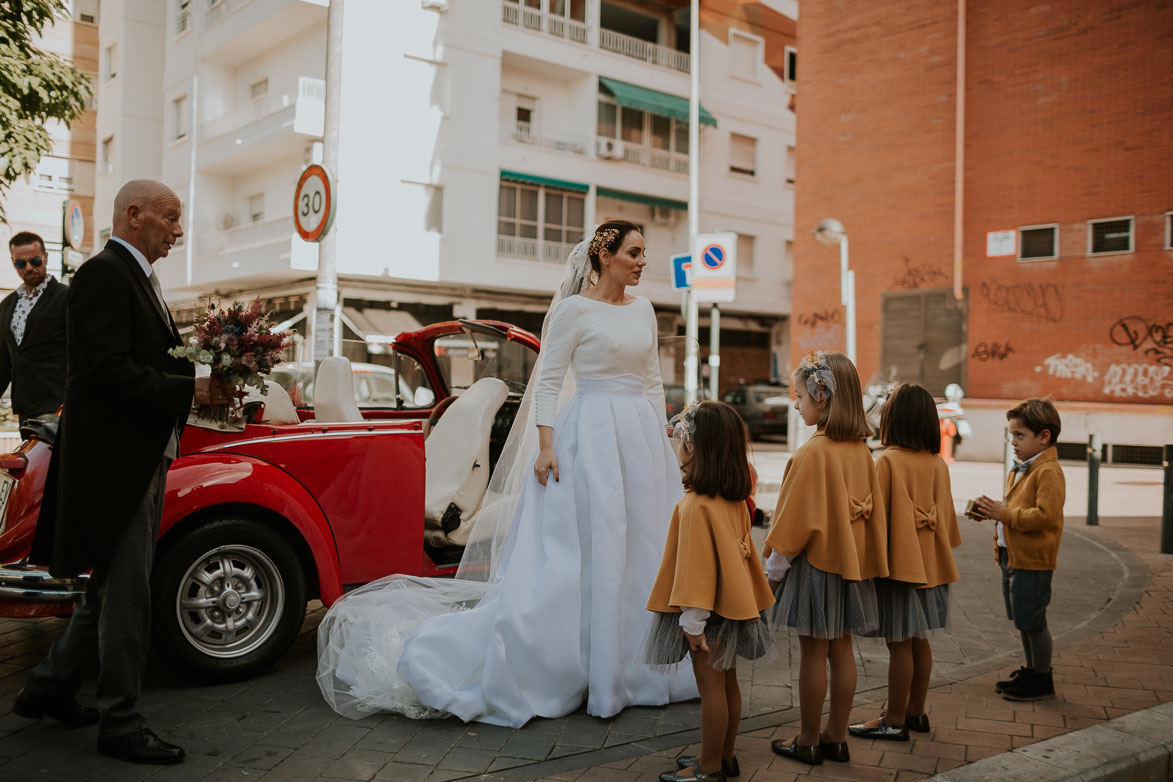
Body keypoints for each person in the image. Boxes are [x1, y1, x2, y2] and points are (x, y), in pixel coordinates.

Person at [317, 220, 698, 727]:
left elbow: (652, 382)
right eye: (634, 252)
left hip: (638, 440)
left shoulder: (646, 309)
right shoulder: (572, 311)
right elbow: (550, 382)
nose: (643, 261)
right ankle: (581, 666)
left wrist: (661, 439)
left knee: (641, 547)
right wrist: (545, 446)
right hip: (589, 438)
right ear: (605, 255)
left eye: (644, 253)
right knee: (590, 546)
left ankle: (641, 668)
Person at [16, 180, 211, 765]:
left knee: (108, 591)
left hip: (134, 455)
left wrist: (196, 378)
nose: (178, 230)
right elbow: (105, 371)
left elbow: (135, 362)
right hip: (116, 463)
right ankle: (120, 723)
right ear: (135, 215)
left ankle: (48, 688)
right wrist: (193, 387)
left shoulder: (129, 276)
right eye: (171, 218)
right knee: (128, 595)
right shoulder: (104, 274)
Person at [764, 351, 887, 767]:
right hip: (850, 568)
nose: (795, 405)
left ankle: (808, 738)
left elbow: (792, 526)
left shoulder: (811, 454)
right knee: (843, 650)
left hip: (815, 568)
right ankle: (836, 737)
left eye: (799, 396)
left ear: (823, 397)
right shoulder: (860, 452)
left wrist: (771, 577)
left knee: (813, 654)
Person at [644, 400, 775, 782]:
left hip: (705, 613)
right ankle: (725, 754)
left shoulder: (694, 506)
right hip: (732, 607)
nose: (679, 449)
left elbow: (696, 569)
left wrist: (693, 622)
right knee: (728, 682)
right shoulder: (736, 501)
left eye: (683, 440)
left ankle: (710, 765)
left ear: (697, 449)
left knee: (711, 689)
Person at [849, 384, 962, 741]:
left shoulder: (887, 461)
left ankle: (893, 719)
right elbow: (948, 523)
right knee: (918, 639)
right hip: (933, 565)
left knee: (898, 643)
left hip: (901, 568)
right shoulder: (936, 464)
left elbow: (874, 519)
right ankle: (916, 711)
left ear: (893, 419)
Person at [968, 398, 1065, 702]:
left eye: (1020, 435)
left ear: (1044, 436)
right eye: (1011, 435)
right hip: (1013, 556)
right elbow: (1015, 508)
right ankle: (1032, 669)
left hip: (1033, 560)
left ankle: (1042, 677)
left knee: (1033, 620)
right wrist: (990, 511)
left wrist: (1004, 514)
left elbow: (1045, 516)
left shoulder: (1048, 472)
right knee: (1023, 619)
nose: (1013, 442)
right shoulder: (1023, 469)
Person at [0, 231, 67, 424]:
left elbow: (78, 354)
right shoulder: (6, 305)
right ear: (13, 263)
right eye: (21, 263)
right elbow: (4, 363)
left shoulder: (66, 297)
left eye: (35, 261)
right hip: (25, 411)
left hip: (59, 409)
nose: (29, 268)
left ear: (46, 257)